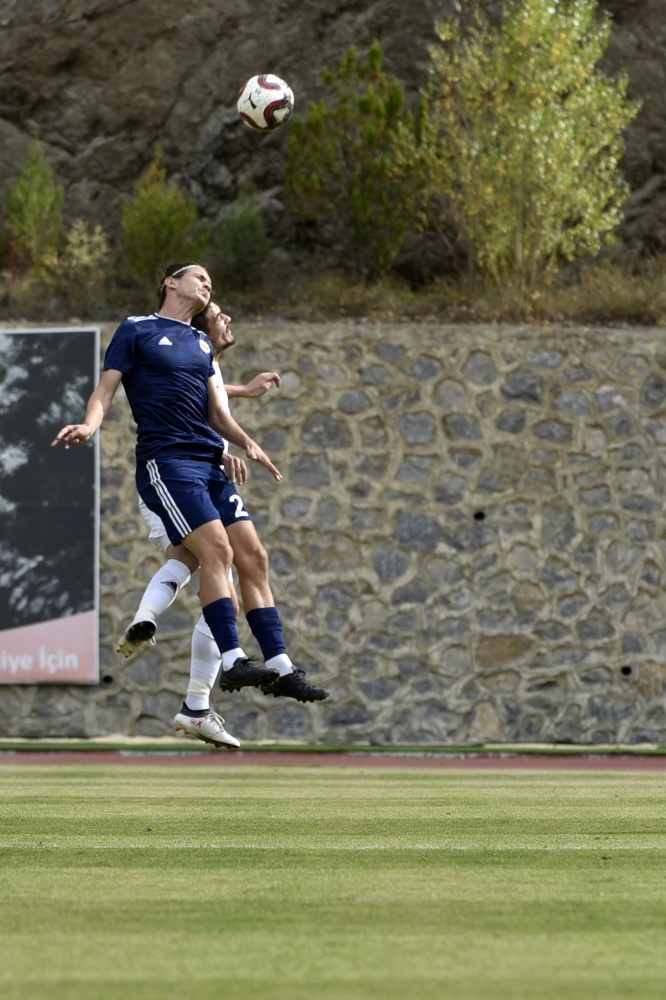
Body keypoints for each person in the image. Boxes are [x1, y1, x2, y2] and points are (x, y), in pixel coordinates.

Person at [52, 262, 287, 750]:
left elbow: (212, 404)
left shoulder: (200, 344)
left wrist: (242, 441)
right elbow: (106, 389)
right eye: (198, 276)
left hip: (206, 463)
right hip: (168, 464)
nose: (208, 283)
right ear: (170, 283)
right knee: (211, 555)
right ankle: (214, 663)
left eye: (212, 281)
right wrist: (90, 425)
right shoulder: (136, 329)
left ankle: (199, 701)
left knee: (227, 569)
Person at [116, 300, 329, 748]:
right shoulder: (164, 351)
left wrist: (242, 395)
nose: (227, 318)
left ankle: (264, 674)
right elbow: (188, 400)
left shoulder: (203, 361)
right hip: (170, 474)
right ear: (196, 325)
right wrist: (236, 441)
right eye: (217, 315)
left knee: (250, 560)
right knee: (203, 560)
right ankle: (149, 623)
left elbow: (209, 392)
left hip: (207, 471)